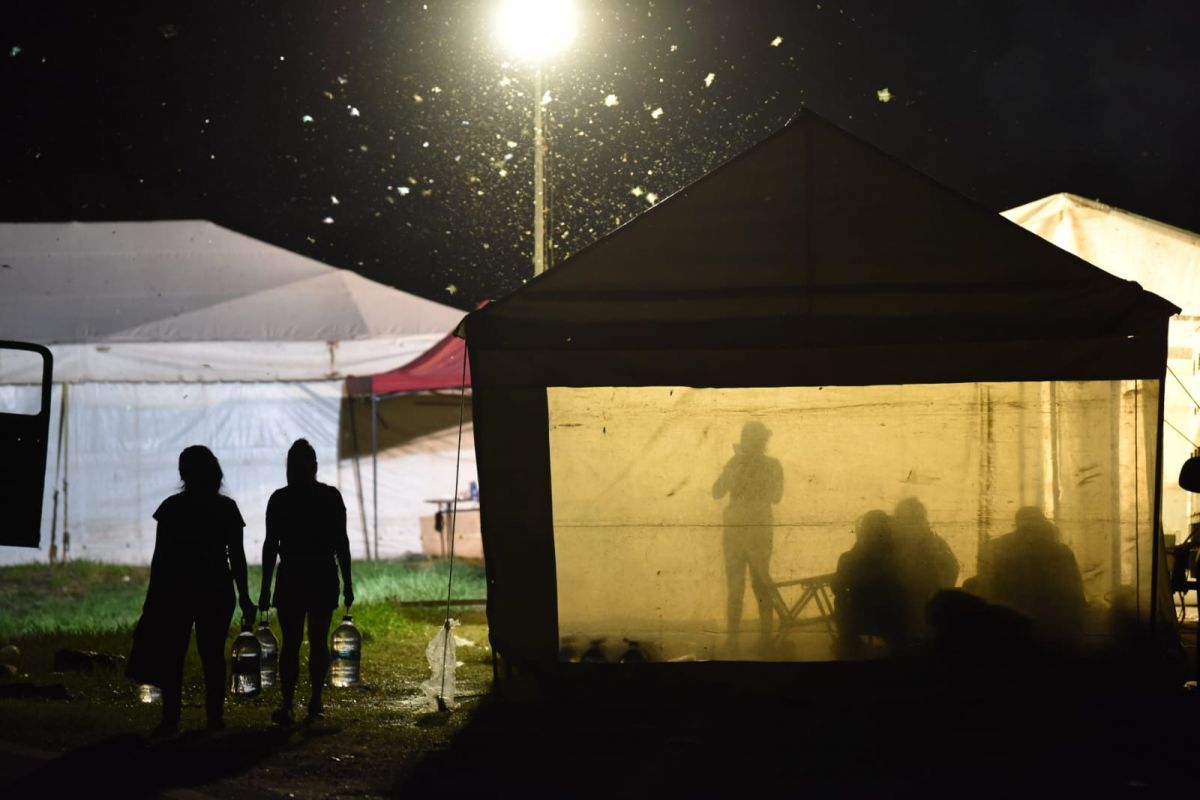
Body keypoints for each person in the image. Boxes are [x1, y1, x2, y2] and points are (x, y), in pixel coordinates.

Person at [138, 445, 255, 736]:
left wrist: (153, 598)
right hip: (216, 589)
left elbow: (160, 558)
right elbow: (237, 558)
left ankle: (171, 719)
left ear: (184, 473)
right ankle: (214, 717)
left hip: (177, 590)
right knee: (212, 654)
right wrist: (244, 597)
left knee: (173, 655)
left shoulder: (171, 508)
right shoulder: (226, 509)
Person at [259, 438, 354, 725]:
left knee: (291, 643)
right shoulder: (330, 497)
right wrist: (348, 583)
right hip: (322, 575)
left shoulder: (280, 499)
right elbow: (342, 544)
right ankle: (315, 701)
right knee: (318, 640)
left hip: (291, 575)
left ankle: (288, 703)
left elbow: (270, 546)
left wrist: (265, 589)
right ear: (315, 467)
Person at [712, 421, 784, 655]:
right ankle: (758, 640)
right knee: (752, 585)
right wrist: (736, 471)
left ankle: (744, 642)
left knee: (748, 585)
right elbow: (717, 492)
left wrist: (742, 473)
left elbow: (775, 496)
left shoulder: (757, 464)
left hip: (745, 530)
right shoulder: (764, 465)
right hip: (751, 530)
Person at [977, 506, 1086, 642]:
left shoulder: (998, 548)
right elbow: (1074, 591)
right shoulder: (1060, 551)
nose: (1030, 531)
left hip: (1012, 622)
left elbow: (988, 587)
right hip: (1048, 624)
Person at [833, 510, 911, 658]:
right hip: (890, 625)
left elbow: (837, 589)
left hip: (858, 624)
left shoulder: (847, 558)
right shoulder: (896, 559)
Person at [892, 497, 959, 634]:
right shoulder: (932, 541)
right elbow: (952, 568)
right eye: (906, 519)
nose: (910, 525)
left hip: (922, 604)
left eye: (914, 518)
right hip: (909, 605)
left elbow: (952, 568)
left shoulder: (933, 542)